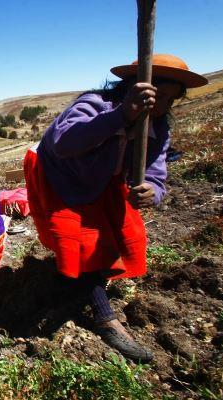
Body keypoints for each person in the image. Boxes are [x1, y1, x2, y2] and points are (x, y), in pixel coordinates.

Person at [24, 53, 207, 362]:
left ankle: (79, 281)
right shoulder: (95, 105)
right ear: (134, 88)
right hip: (61, 174)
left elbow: (156, 172)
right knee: (80, 238)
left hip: (102, 179)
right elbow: (64, 143)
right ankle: (104, 317)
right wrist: (122, 115)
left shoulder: (158, 127)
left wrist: (153, 190)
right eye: (157, 96)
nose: (161, 107)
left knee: (118, 229)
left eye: (169, 100)